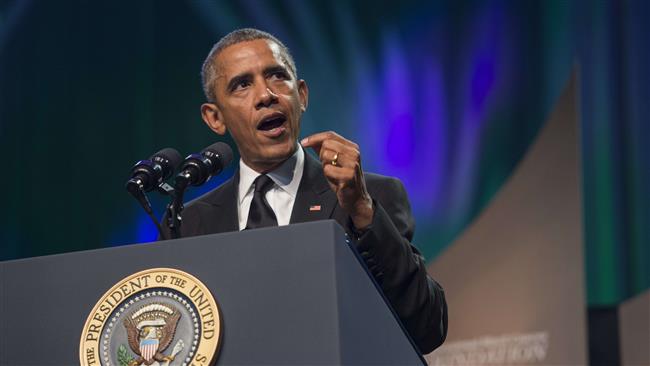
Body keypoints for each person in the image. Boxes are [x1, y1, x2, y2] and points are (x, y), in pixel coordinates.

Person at [175, 28, 447, 354]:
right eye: (242, 85)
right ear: (215, 118)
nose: (266, 95)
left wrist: (362, 211)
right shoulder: (189, 224)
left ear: (301, 95)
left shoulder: (372, 197)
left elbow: (427, 328)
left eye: (277, 76)